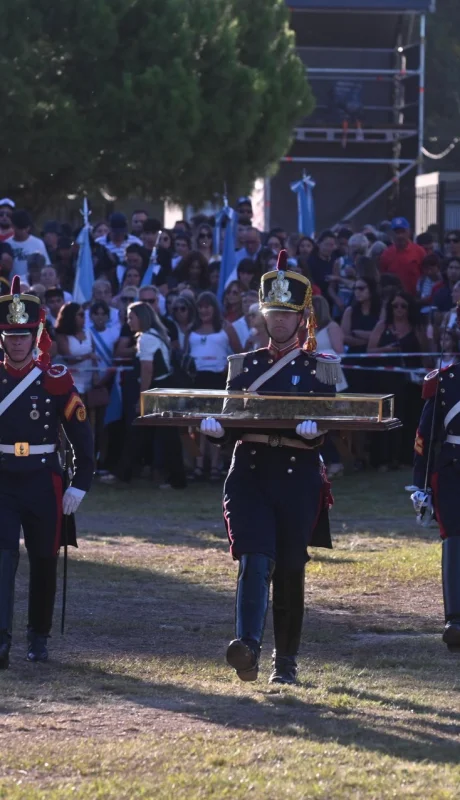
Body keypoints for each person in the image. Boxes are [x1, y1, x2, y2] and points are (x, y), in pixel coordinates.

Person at [200, 250, 340, 684]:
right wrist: (215, 430)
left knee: (291, 567)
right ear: (262, 314)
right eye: (272, 312)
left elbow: (329, 429)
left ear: (302, 317)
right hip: (251, 471)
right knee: (254, 558)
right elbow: (231, 422)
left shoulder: (321, 368)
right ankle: (248, 646)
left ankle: (286, 662)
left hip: (297, 473)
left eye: (287, 313)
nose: (278, 320)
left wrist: (316, 430)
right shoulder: (244, 367)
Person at [0, 277, 93, 667]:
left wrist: (80, 485)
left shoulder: (55, 381)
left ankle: (38, 636)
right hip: (2, 479)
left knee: (43, 561)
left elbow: (82, 437)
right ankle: (1, 641)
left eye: (23, 335)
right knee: (2, 561)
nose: (17, 342)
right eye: (9, 335)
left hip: (43, 480)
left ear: (36, 333)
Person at [410, 320, 460, 651]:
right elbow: (425, 436)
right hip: (453, 467)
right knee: (454, 537)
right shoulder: (444, 382)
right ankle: (455, 619)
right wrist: (420, 484)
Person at [55, 303, 97, 399]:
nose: (84, 318)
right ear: (71, 316)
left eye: (84, 315)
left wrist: (96, 374)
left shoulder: (88, 332)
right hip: (71, 383)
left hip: (88, 381)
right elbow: (69, 359)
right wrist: (87, 356)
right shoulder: (61, 336)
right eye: (81, 315)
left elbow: (94, 354)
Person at [379, 217, 426, 296]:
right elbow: (382, 279)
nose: (400, 236)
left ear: (409, 232)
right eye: (397, 232)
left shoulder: (419, 251)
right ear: (391, 234)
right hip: (394, 300)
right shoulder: (386, 254)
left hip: (415, 299)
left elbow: (425, 276)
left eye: (403, 232)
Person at [9, 210, 50, 278]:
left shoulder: (38, 243)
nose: (23, 231)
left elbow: (46, 265)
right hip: (12, 285)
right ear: (13, 226)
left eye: (26, 228)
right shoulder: (7, 244)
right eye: (20, 228)